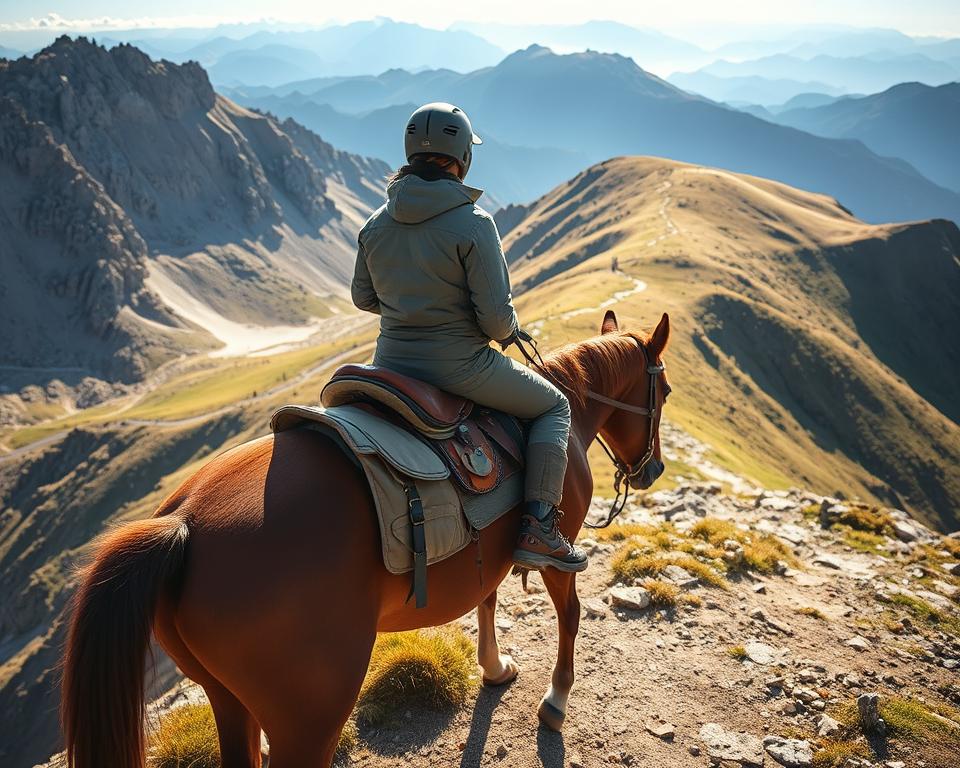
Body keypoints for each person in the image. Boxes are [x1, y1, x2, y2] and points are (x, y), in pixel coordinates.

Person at [351, 102, 587, 573]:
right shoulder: (474, 223)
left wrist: (409, 309)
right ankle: (539, 526)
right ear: (461, 155)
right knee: (553, 407)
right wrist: (502, 325)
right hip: (460, 367)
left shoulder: (376, 223)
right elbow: (498, 323)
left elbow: (363, 297)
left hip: (389, 365)